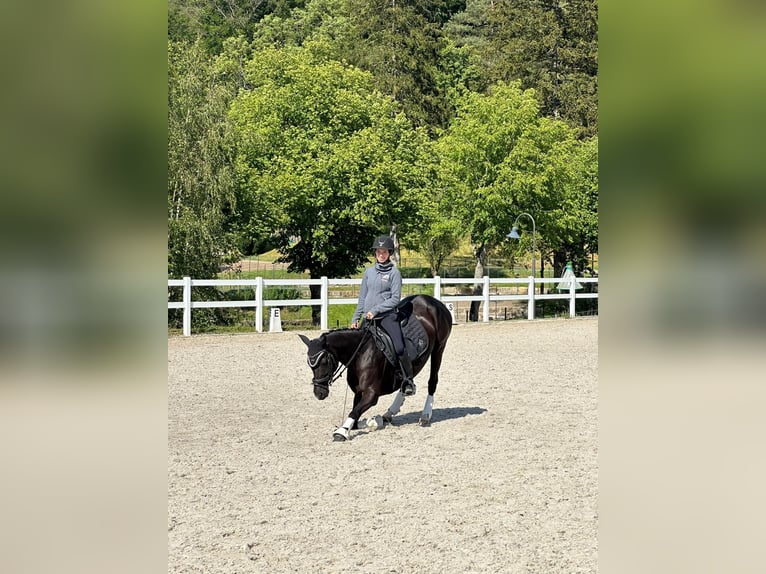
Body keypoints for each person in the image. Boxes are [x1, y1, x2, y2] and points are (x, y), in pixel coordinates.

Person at [351, 235, 416, 396]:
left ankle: (408, 380)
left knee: (399, 347)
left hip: (387, 317)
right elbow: (362, 297)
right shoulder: (368, 273)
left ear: (389, 253)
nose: (381, 254)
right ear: (375, 253)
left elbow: (395, 299)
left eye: (385, 251)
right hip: (368, 318)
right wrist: (356, 318)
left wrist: (377, 310)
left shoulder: (394, 273)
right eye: (379, 251)